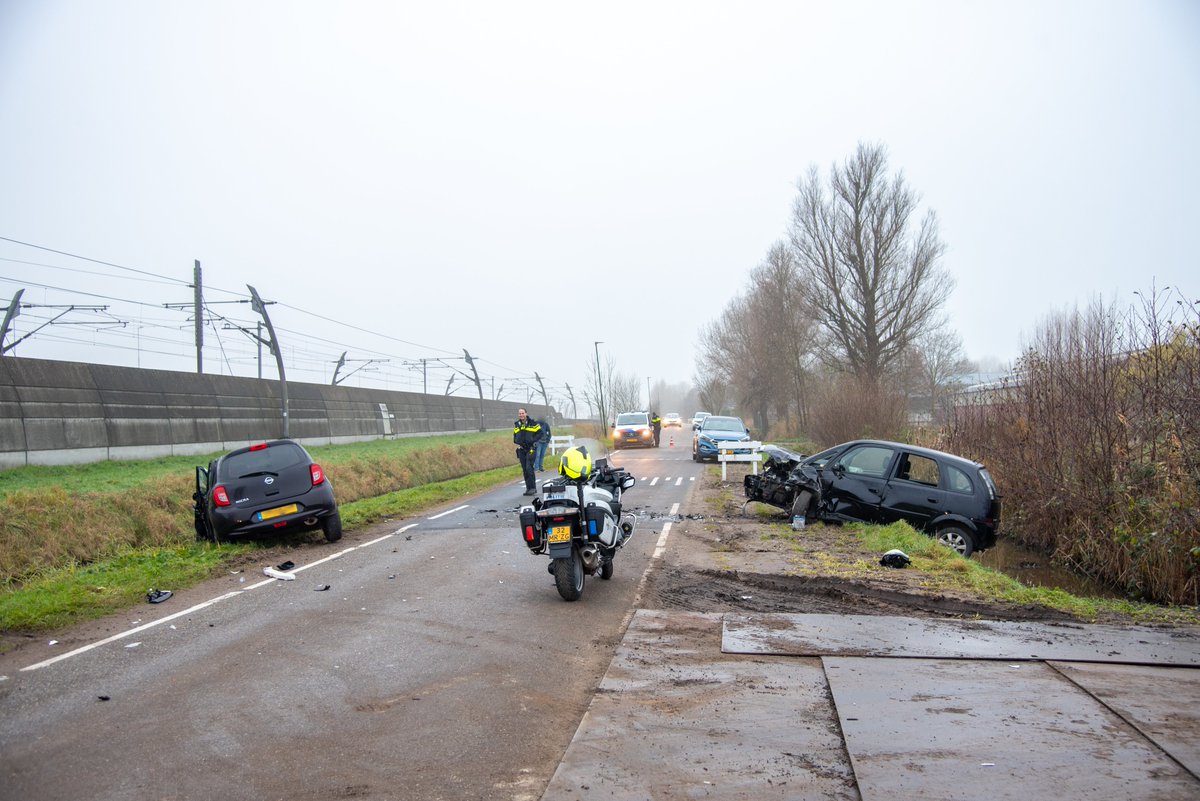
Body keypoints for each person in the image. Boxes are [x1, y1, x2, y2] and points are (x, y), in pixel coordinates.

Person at [513, 408, 542, 495]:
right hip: (521, 449)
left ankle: (533, 488)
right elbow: (515, 435)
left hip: (531, 449)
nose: (521, 415)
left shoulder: (533, 423)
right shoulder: (517, 424)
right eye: (519, 413)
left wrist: (533, 440)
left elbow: (540, 433)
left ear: (526, 413)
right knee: (525, 469)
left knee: (529, 468)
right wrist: (516, 441)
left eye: (522, 413)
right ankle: (528, 489)